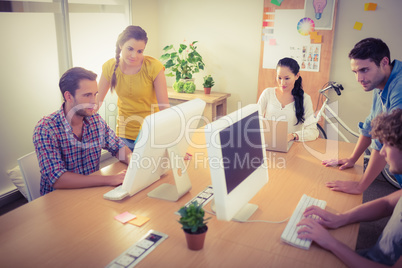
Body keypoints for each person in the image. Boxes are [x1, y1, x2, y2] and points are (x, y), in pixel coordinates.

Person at [297, 109, 402, 267]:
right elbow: (387, 204)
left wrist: (331, 243)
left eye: (388, 144)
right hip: (368, 256)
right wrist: (341, 218)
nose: (381, 152)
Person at [33, 67, 132, 195]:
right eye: (87, 95)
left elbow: (118, 147)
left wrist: (135, 164)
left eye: (95, 94)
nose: (94, 101)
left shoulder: (95, 119)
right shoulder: (46, 128)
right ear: (68, 96)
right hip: (59, 199)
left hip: (90, 192)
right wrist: (109, 179)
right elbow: (57, 179)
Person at [323, 38, 402, 194]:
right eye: (355, 72)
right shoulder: (380, 82)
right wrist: (353, 158)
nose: (359, 79)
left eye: (364, 70)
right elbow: (371, 124)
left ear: (384, 62)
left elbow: (386, 139)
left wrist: (361, 186)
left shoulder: (399, 87)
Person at [98, 25, 170, 151]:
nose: (134, 55)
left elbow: (164, 108)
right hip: (124, 133)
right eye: (129, 49)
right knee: (126, 170)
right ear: (121, 45)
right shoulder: (109, 67)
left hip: (151, 133)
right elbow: (96, 102)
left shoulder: (154, 67)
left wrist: (172, 144)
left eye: (139, 51)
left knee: (154, 169)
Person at [258, 57, 319, 142]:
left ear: (297, 76)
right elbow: (255, 120)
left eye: (287, 78)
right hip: (268, 143)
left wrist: (293, 136)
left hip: (292, 146)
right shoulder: (267, 93)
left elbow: (313, 132)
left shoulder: (305, 99)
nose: (282, 83)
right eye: (279, 78)